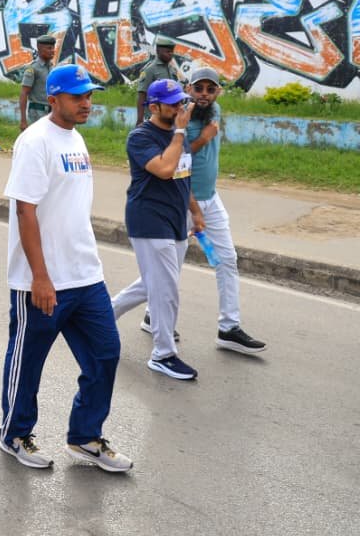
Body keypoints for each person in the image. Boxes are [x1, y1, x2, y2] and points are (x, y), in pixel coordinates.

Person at [0, 64, 133, 472]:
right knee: (28, 363)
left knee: (106, 354)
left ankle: (86, 436)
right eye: (78, 97)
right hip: (42, 280)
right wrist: (40, 276)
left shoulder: (75, 140)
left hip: (85, 275)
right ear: (53, 98)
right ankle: (15, 433)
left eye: (89, 95)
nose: (86, 103)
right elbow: (26, 210)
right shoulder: (35, 141)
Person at [109, 79, 206, 381]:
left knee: (152, 283)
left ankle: (102, 317)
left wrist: (195, 211)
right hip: (149, 220)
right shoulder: (141, 137)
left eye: (181, 102)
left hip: (176, 220)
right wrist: (179, 131)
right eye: (174, 103)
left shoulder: (178, 135)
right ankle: (162, 355)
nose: (180, 107)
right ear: (154, 107)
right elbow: (164, 169)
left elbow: (181, 175)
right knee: (165, 289)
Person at [177, 67, 265, 354]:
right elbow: (175, 158)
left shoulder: (215, 109)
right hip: (183, 200)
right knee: (166, 268)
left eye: (210, 89)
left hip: (211, 200)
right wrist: (203, 137)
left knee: (227, 259)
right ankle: (146, 314)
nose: (204, 94)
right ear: (188, 88)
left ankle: (229, 328)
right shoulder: (182, 115)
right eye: (198, 88)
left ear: (218, 92)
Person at [135, 36, 185, 125]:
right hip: (153, 116)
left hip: (169, 115)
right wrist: (140, 119)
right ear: (158, 51)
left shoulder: (172, 69)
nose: (170, 54)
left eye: (172, 52)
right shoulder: (150, 70)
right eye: (167, 52)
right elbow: (142, 94)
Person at [19, 35, 56, 130]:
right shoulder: (33, 68)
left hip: (51, 111)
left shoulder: (52, 67)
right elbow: (24, 93)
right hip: (37, 112)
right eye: (49, 48)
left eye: (53, 48)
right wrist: (23, 120)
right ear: (39, 48)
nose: (52, 51)